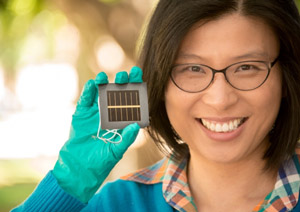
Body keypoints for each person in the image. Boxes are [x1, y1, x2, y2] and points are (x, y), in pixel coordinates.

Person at [12, 0, 300, 211]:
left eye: (247, 67)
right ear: (160, 86)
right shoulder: (117, 205)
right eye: (192, 69)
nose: (220, 99)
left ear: (286, 78)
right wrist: (68, 182)